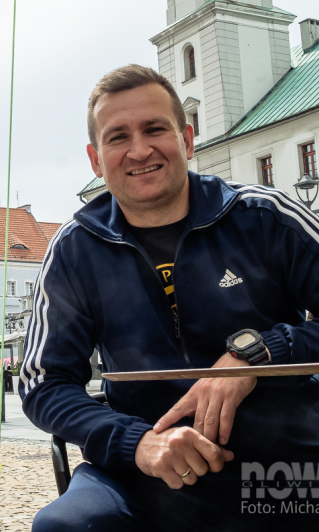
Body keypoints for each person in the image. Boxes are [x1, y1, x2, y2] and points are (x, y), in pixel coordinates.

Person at [20, 65, 319, 531]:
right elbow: (44, 383)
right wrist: (134, 443)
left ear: (186, 139)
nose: (139, 150)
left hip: (283, 463)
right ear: (96, 160)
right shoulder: (75, 249)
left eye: (155, 129)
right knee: (65, 526)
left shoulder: (264, 216)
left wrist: (256, 356)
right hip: (141, 470)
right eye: (118, 136)